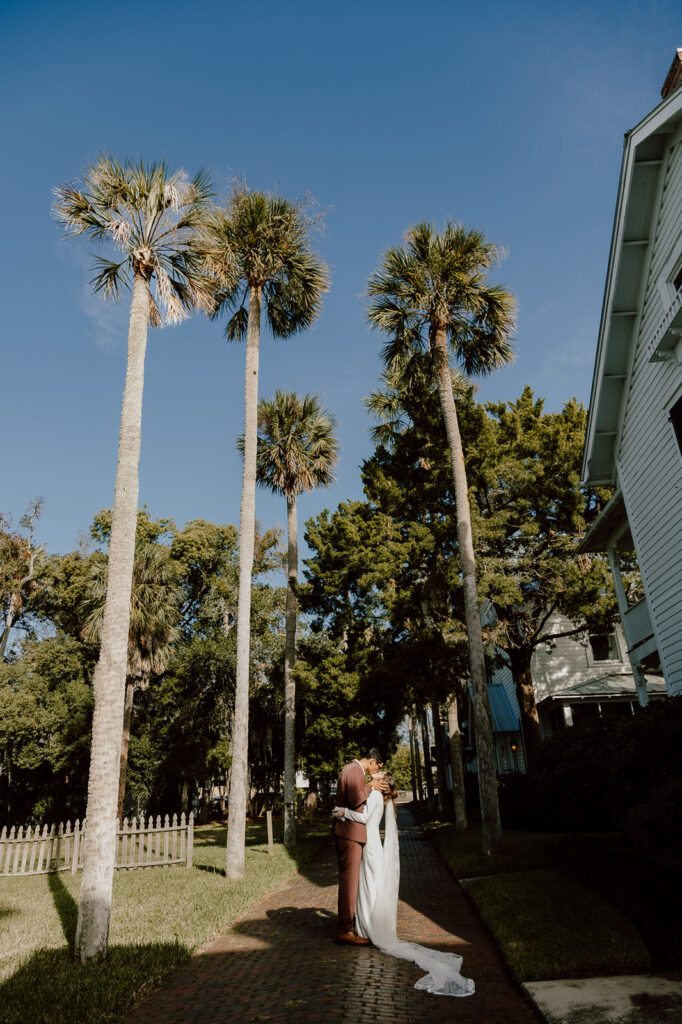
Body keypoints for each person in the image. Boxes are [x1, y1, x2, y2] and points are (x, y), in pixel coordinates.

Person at [333, 772, 475, 998]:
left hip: (369, 848)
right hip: (372, 846)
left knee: (369, 888)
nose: (376, 772)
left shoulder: (376, 797)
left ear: (382, 783)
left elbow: (364, 818)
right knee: (370, 888)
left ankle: (367, 928)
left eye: (380, 773)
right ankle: (366, 926)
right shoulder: (379, 796)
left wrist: (343, 813)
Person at [332, 747, 387, 945]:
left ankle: (348, 925)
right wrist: (371, 786)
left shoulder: (353, 771)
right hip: (349, 833)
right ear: (372, 761)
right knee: (349, 882)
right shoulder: (355, 771)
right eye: (377, 766)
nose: (377, 771)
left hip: (351, 833)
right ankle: (345, 929)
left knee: (351, 881)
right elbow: (355, 800)